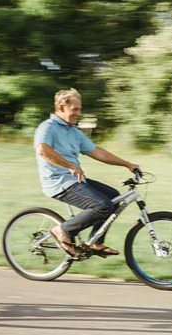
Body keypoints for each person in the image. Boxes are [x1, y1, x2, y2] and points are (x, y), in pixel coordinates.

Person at [33, 88, 139, 257]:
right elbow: (42, 150)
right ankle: (62, 230)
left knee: (113, 197)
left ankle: (96, 242)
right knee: (102, 205)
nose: (79, 113)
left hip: (75, 180)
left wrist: (127, 164)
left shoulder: (74, 132)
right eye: (75, 109)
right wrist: (70, 165)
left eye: (80, 109)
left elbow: (97, 152)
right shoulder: (48, 127)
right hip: (58, 182)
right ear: (61, 108)